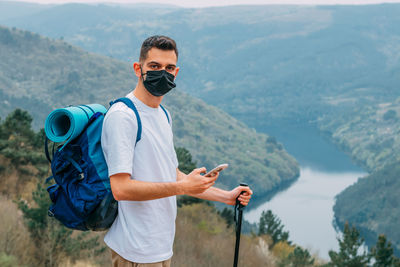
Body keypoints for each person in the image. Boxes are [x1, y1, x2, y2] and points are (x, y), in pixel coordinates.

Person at [101, 35, 253, 267]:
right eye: (154, 66)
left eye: (169, 67)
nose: (162, 73)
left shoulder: (163, 115)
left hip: (160, 248)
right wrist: (183, 187)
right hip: (135, 252)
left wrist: (226, 197)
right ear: (137, 68)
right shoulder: (124, 116)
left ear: (176, 73)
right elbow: (120, 188)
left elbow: (172, 175)